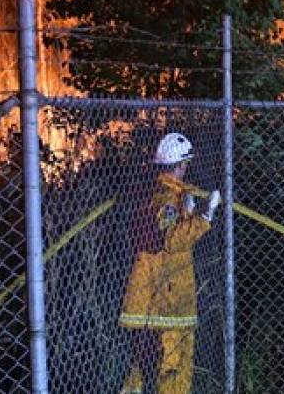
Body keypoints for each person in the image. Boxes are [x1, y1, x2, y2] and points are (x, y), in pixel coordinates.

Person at [119, 132, 221, 394]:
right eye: (185, 164)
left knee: (147, 362)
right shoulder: (167, 197)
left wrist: (189, 209)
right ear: (180, 165)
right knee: (173, 362)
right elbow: (173, 240)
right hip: (168, 295)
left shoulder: (162, 193)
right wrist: (205, 217)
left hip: (165, 291)